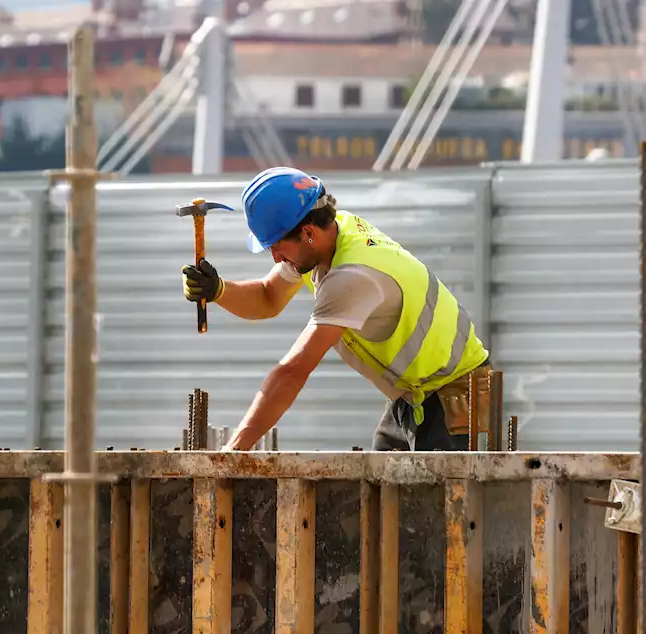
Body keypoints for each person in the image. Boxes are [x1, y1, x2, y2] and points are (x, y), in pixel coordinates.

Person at [182, 166, 491, 452]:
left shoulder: (352, 275)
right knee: (382, 497)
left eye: (277, 245)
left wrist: (231, 453)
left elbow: (292, 372)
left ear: (307, 234)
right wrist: (218, 289)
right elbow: (267, 298)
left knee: (440, 509)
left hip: (457, 400)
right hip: (415, 397)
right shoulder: (329, 236)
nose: (275, 257)